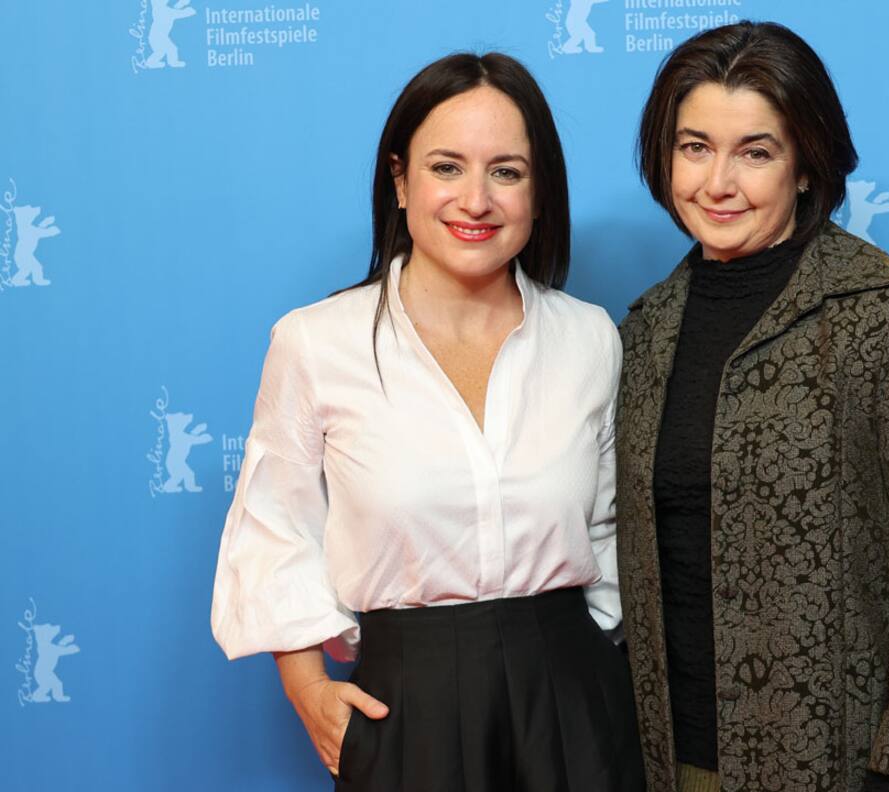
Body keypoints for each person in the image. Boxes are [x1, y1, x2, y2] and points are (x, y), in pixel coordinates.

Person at [212, 52, 645, 792]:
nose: (476, 200)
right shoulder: (316, 343)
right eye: (447, 167)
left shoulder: (590, 338)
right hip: (405, 705)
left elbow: (609, 527)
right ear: (400, 179)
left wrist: (593, 665)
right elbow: (275, 526)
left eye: (506, 172)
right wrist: (309, 689)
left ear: (540, 193)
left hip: (574, 695)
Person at [615, 21, 889, 792]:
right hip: (672, 761)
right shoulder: (648, 328)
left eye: (755, 152)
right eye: (694, 147)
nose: (717, 183)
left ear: (804, 165)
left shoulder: (886, 308)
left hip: (846, 765)